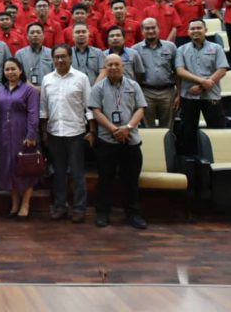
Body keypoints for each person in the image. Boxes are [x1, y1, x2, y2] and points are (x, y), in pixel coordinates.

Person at [88, 54, 148, 229]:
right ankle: (102, 213)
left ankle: (133, 214)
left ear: (123, 66)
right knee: (105, 179)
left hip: (130, 140)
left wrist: (127, 128)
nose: (113, 67)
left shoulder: (133, 85)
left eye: (116, 64)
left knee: (131, 180)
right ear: (105, 68)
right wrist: (114, 130)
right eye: (109, 65)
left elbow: (140, 109)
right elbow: (96, 112)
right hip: (107, 141)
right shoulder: (98, 88)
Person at [39, 44, 95, 223]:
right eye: (57, 57)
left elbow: (89, 106)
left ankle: (79, 208)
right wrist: (44, 131)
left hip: (76, 132)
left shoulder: (81, 78)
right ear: (53, 59)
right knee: (59, 172)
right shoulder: (47, 79)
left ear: (70, 58)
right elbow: (43, 109)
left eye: (64, 56)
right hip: (54, 132)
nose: (60, 60)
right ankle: (60, 205)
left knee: (77, 173)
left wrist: (92, 130)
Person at [0, 58, 40, 220]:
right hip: (4, 134)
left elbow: (33, 113)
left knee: (25, 168)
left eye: (13, 69)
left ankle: (25, 204)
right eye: (7, 70)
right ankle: (14, 204)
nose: (10, 72)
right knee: (8, 168)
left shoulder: (29, 90)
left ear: (20, 71)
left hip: (23, 132)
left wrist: (31, 134)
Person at [175, 18, 229, 154]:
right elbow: (180, 71)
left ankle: (219, 157)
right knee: (188, 132)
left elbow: (222, 69)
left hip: (211, 95)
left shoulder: (216, 48)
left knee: (217, 130)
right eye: (192, 29)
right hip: (189, 96)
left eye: (199, 28)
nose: (195, 31)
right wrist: (202, 81)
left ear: (206, 30)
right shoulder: (181, 50)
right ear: (188, 32)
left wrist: (203, 86)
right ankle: (192, 162)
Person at [133, 18, 179, 129]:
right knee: (148, 128)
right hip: (146, 93)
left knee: (168, 128)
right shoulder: (135, 50)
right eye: (147, 28)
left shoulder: (171, 47)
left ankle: (167, 146)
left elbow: (177, 71)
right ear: (142, 31)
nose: (150, 31)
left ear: (158, 29)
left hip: (168, 92)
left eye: (153, 27)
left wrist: (178, 94)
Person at [15, 22, 54, 91]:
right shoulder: (20, 54)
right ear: (27, 36)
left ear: (43, 35)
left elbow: (55, 74)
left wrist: (43, 89)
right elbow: (18, 75)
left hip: (48, 90)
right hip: (26, 92)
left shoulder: (51, 53)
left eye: (38, 32)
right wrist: (33, 88)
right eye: (32, 32)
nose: (35, 35)